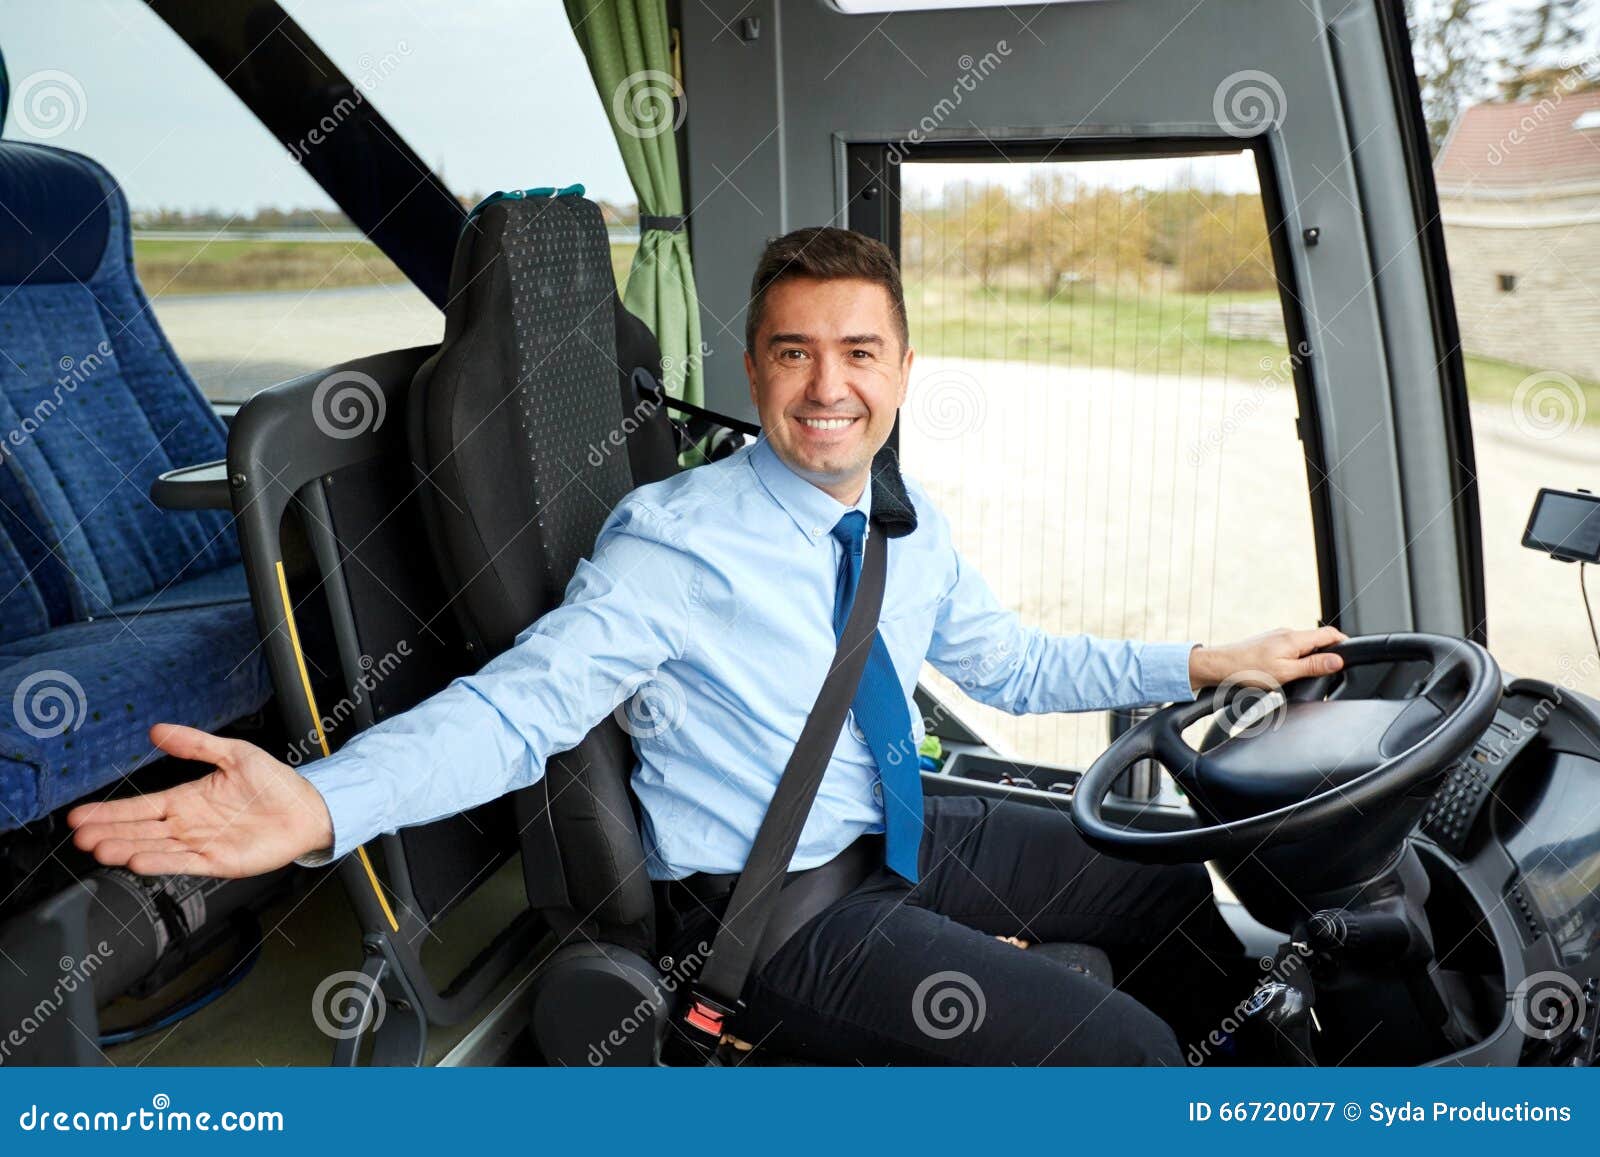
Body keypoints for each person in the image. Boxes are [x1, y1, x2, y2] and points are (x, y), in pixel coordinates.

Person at [70, 226, 1345, 1065]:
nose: (827, 385)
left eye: (857, 352)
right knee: (1115, 1058)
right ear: (752, 366)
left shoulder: (900, 517)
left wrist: (1199, 660)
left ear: (903, 368)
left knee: (1161, 874)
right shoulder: (677, 543)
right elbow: (524, 707)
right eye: (794, 353)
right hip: (778, 909)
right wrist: (318, 805)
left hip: (898, 830)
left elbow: (1008, 662)